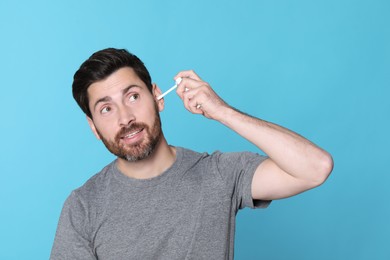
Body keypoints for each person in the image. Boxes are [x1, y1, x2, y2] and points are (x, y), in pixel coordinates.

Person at [50, 48, 333, 259]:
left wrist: (223, 112)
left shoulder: (219, 174)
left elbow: (315, 167)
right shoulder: (83, 206)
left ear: (157, 97)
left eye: (133, 96)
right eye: (106, 108)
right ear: (94, 127)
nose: (125, 118)